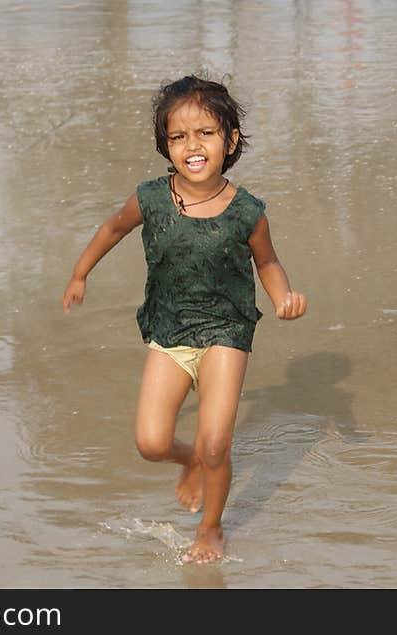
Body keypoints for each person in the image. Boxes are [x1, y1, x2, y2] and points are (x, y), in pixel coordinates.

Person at [61, 75, 307, 564]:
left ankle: (211, 528)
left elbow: (268, 263)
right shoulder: (151, 199)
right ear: (165, 145)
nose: (192, 146)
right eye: (178, 137)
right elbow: (112, 228)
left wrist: (283, 296)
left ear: (230, 141)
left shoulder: (247, 211)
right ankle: (187, 459)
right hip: (169, 331)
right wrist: (80, 273)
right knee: (151, 443)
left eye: (206, 134)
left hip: (226, 330)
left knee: (216, 442)